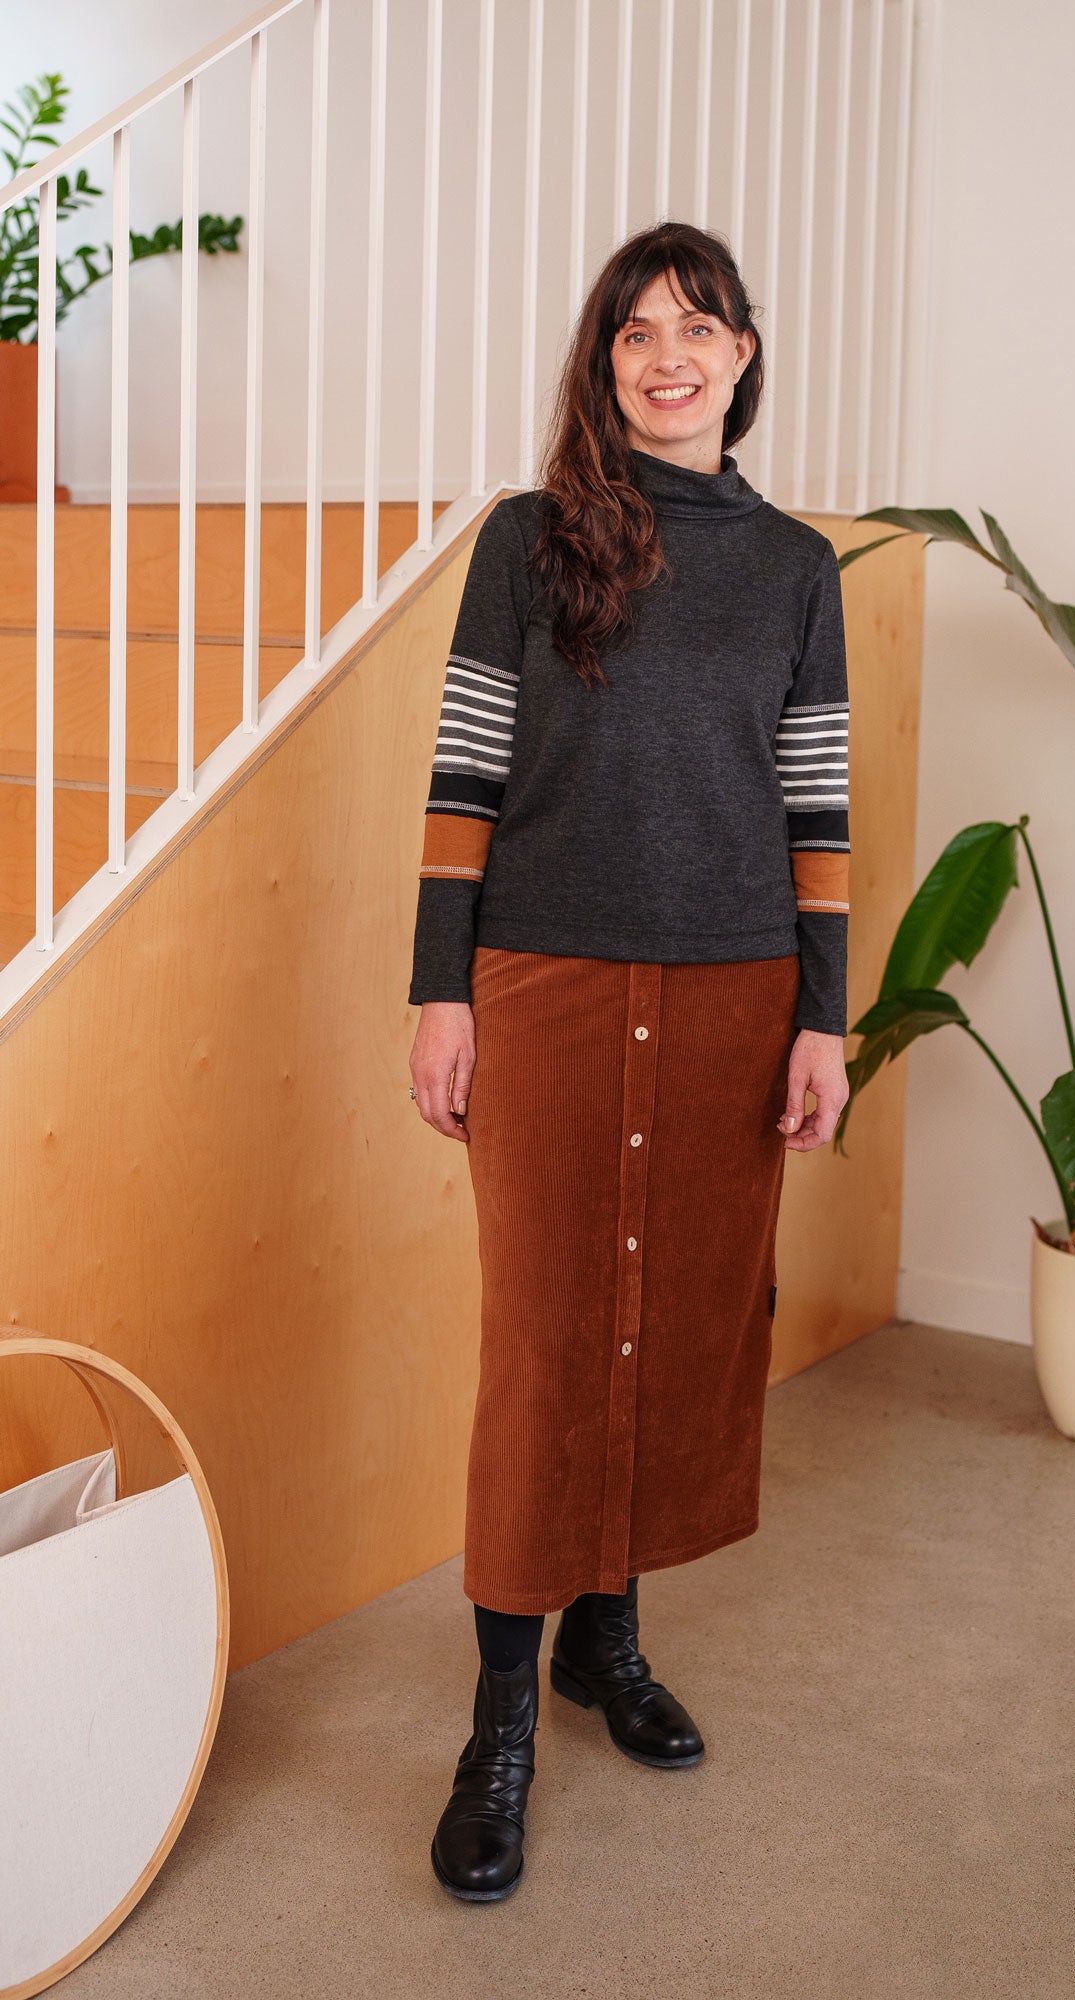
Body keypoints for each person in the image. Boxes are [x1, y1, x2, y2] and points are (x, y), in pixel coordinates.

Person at [407, 219, 851, 1903]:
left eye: (699, 327)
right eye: (634, 333)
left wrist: (821, 1012)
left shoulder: (799, 567)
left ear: (743, 353)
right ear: (604, 367)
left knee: (672, 1327)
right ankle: (500, 1716)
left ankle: (610, 1638)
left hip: (739, 987)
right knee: (542, 1337)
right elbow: (462, 778)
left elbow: (815, 812)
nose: (668, 355)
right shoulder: (530, 542)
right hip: (548, 980)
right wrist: (438, 990)